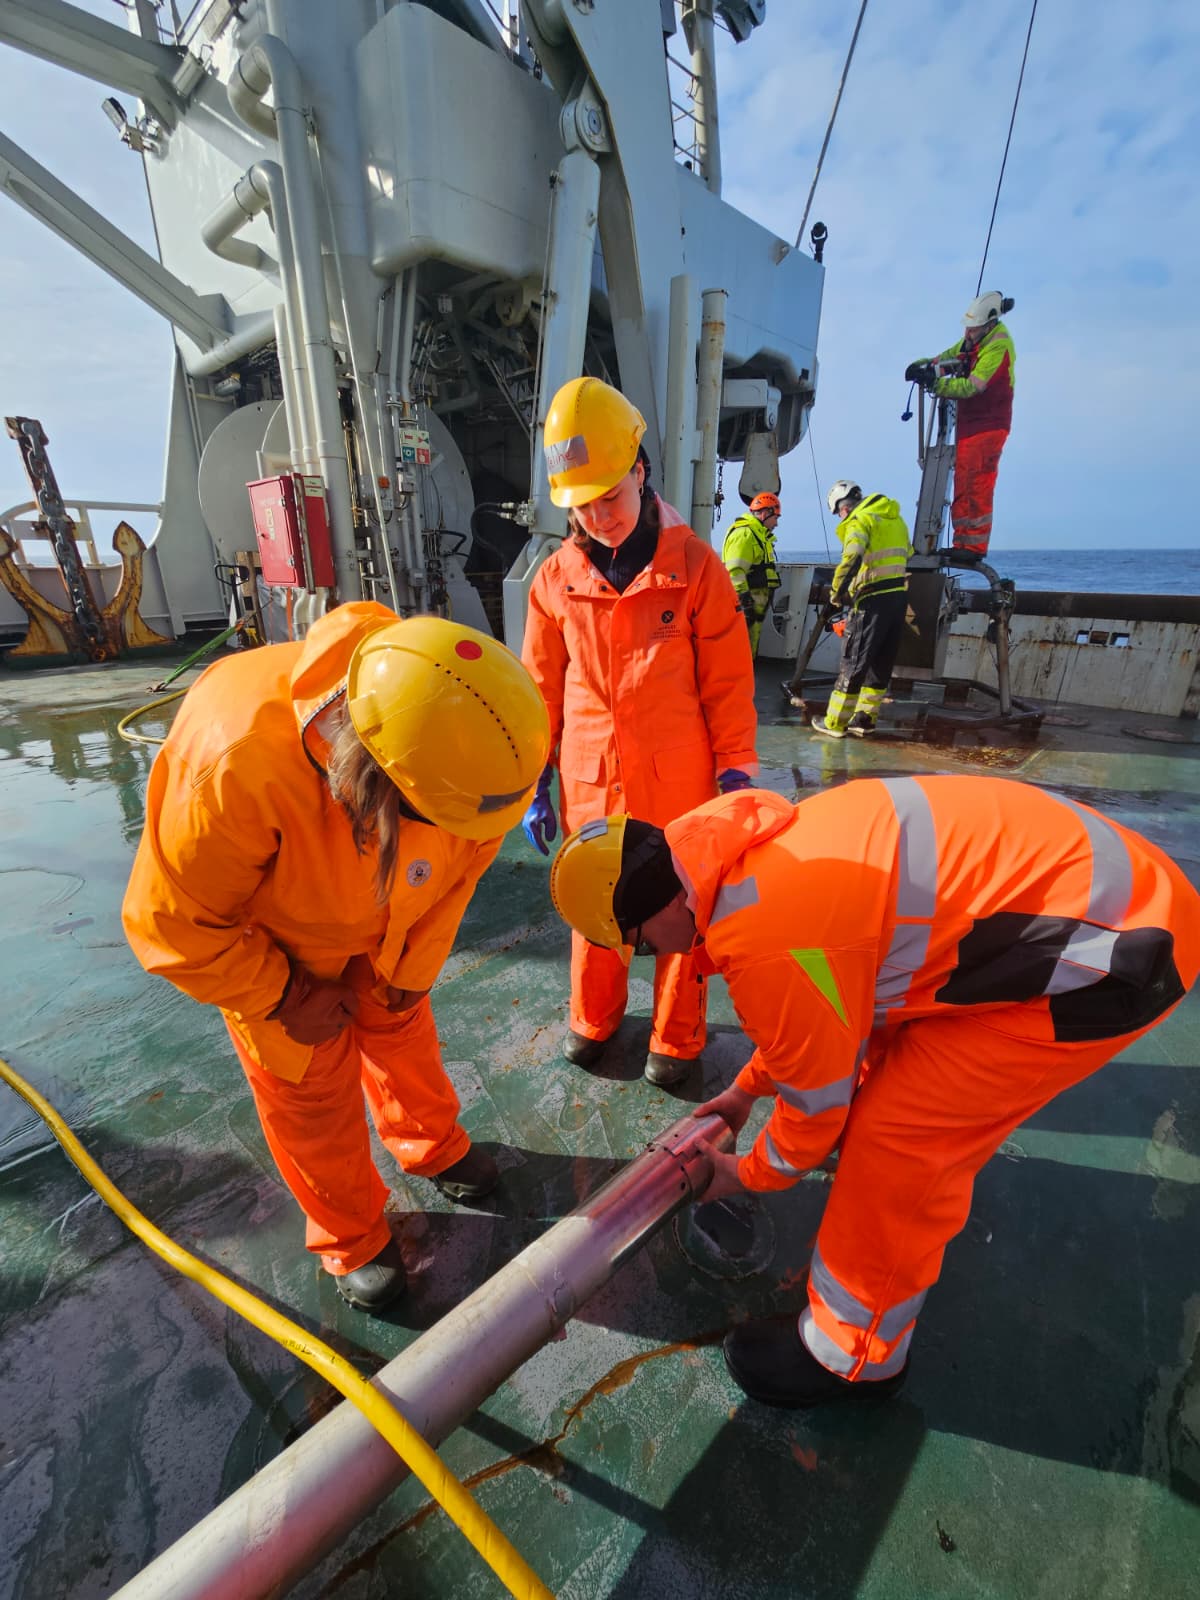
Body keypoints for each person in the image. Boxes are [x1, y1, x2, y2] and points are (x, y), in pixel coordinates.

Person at [548, 777, 1200, 1408]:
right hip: (1114, 898)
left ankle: (853, 1356)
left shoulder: (768, 937)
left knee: (899, 1141)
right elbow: (831, 1014)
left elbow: (813, 1108)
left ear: (655, 909)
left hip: (1111, 957)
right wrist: (745, 1093)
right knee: (882, 1075)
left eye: (636, 947)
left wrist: (738, 1173)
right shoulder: (743, 857)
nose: (652, 958)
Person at [122, 603, 550, 1312]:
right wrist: (283, 997)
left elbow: (464, 864)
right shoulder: (232, 761)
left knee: (402, 1029)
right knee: (308, 1089)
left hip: (391, 918)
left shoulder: (473, 749)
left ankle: (431, 1144)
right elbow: (172, 924)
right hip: (276, 948)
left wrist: (410, 973)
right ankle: (353, 1236)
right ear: (379, 781)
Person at [521, 375, 758, 1088]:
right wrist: (535, 773)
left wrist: (737, 770)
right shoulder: (554, 579)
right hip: (591, 779)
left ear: (640, 471)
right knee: (596, 902)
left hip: (681, 779)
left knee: (680, 904)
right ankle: (593, 1019)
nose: (601, 516)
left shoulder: (693, 567)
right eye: (583, 504)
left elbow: (728, 680)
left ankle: (677, 1037)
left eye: (612, 496)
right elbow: (538, 687)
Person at [906, 290, 1015, 559]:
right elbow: (946, 359)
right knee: (964, 481)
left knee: (977, 483)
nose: (967, 334)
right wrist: (921, 366)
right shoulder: (974, 340)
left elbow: (971, 387)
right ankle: (962, 544)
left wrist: (936, 384)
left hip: (989, 425)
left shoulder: (997, 346)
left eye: (973, 329)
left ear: (989, 324)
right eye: (967, 328)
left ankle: (973, 547)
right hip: (970, 425)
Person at [812, 481, 911, 739]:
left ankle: (834, 723)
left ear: (843, 508)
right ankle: (864, 720)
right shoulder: (896, 520)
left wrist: (836, 593)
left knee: (853, 662)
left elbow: (852, 558)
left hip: (871, 600)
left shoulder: (860, 521)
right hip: (898, 598)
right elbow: (907, 554)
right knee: (880, 663)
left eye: (838, 513)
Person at [721, 492, 783, 655]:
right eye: (775, 517)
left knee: (749, 647)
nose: (776, 523)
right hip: (746, 604)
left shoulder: (758, 535)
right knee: (739, 649)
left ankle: (747, 677)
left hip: (755, 605)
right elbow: (734, 570)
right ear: (765, 513)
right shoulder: (745, 535)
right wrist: (744, 600)